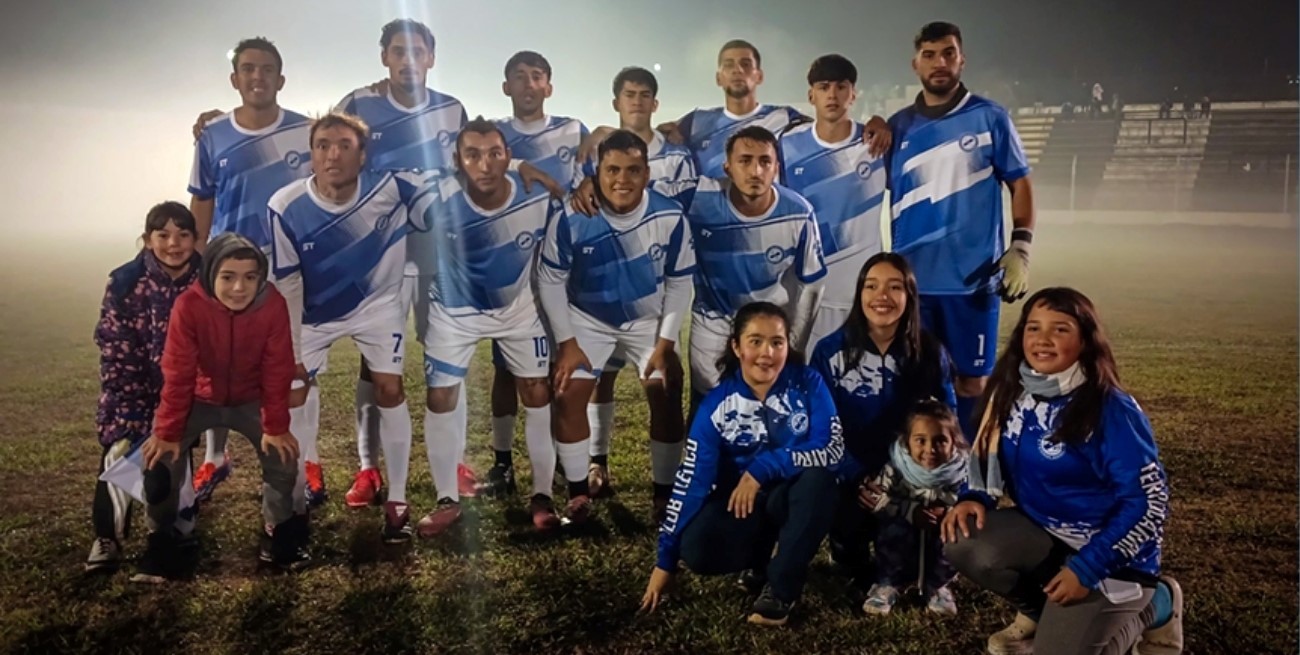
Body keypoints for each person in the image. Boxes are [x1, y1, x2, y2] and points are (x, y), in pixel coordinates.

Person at [941, 287, 1183, 655]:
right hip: (1048, 537)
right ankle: (1044, 613)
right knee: (964, 541)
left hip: (1112, 557)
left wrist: (1088, 568)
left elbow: (1148, 503)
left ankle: (1157, 605)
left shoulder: (1110, 408)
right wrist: (973, 496)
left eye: (1060, 329)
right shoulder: (1012, 390)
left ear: (1086, 339)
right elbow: (989, 458)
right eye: (1033, 328)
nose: (1043, 340)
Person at [269, 112, 435, 541]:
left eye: (344, 145)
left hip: (377, 307)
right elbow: (287, 284)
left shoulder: (392, 188)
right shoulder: (285, 206)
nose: (332, 154)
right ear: (311, 154)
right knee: (293, 390)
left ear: (363, 156)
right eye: (323, 145)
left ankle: (397, 500)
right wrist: (292, 353)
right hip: (312, 314)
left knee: (390, 389)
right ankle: (297, 498)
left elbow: (456, 188)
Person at [331, 19, 469, 509]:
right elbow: (323, 152)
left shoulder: (453, 110)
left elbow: (469, 173)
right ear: (384, 57)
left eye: (417, 52)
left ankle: (452, 460)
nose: (407, 60)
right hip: (380, 259)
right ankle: (368, 469)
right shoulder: (359, 105)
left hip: (439, 258)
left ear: (431, 57)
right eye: (397, 51)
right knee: (375, 367)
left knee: (448, 358)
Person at [640, 302, 844, 627]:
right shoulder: (716, 405)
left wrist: (762, 469)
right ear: (736, 346)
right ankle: (759, 561)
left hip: (795, 496)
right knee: (698, 550)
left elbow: (831, 449)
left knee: (819, 481)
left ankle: (781, 589)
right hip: (744, 503)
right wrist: (666, 560)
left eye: (777, 342)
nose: (767, 353)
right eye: (755, 341)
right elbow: (691, 481)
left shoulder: (808, 383)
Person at [886, 21, 1036, 443]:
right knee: (914, 386)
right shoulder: (898, 127)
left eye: (948, 53)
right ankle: (917, 479)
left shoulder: (990, 117)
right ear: (915, 63)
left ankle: (971, 475)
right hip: (912, 286)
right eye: (930, 55)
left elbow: (1020, 183)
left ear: (961, 59)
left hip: (973, 282)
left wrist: (1020, 248)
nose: (940, 63)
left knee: (973, 384)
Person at [416, 118, 564, 535]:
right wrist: (517, 163)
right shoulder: (437, 194)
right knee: (441, 395)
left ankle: (542, 496)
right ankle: (447, 499)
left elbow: (573, 199)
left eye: (495, 154)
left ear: (507, 156)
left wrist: (522, 168)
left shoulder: (536, 196)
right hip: (453, 310)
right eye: (473, 155)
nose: (485, 164)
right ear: (458, 161)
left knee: (537, 392)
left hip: (518, 309)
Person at [539, 130, 695, 522]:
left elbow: (679, 282)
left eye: (632, 170)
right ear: (597, 172)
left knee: (665, 388)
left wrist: (665, 343)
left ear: (647, 174)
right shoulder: (572, 216)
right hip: (589, 318)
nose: (622, 179)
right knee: (569, 392)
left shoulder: (670, 216)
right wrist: (567, 342)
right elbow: (551, 280)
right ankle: (578, 495)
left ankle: (664, 495)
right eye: (612, 170)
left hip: (647, 320)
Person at [135, 233, 303, 583]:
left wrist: (274, 425)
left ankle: (277, 532)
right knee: (160, 461)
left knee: (282, 455)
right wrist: (167, 433)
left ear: (261, 277)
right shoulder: (190, 305)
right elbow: (178, 370)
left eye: (250, 277)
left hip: (249, 398)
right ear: (211, 273)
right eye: (228, 277)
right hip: (200, 398)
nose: (239, 287)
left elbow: (278, 368)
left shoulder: (272, 305)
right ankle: (161, 540)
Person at [188, 37, 313, 502]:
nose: (257, 76)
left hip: (285, 266)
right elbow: (202, 199)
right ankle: (213, 459)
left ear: (280, 79)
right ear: (235, 79)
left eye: (266, 69)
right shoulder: (213, 133)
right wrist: (199, 262)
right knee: (218, 359)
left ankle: (307, 462)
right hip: (226, 268)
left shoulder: (305, 131)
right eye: (247, 69)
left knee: (295, 364)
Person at [576, 66, 697, 499]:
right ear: (616, 102)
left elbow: (674, 218)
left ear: (655, 103)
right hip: (600, 289)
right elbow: (584, 200)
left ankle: (666, 491)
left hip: (652, 291)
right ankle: (597, 463)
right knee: (598, 379)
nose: (637, 102)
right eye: (629, 94)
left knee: (665, 382)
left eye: (645, 95)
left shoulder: (678, 156)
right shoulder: (593, 151)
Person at [810, 252, 956, 587]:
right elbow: (821, 429)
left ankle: (914, 546)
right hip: (851, 474)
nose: (882, 297)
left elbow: (950, 425)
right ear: (859, 293)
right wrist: (858, 477)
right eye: (871, 286)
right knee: (851, 560)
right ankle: (845, 545)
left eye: (895, 287)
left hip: (909, 475)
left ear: (910, 296)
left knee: (908, 564)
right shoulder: (829, 351)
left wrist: (931, 482)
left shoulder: (931, 352)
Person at [484, 50, 591, 496]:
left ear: (549, 86)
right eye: (519, 77)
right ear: (506, 87)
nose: (528, 84)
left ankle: (569, 461)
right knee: (507, 370)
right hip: (509, 263)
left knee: (565, 363)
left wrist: (588, 175)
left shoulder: (573, 129)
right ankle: (503, 463)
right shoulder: (495, 134)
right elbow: (466, 164)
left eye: (537, 77)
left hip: (563, 264)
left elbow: (594, 173)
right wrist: (515, 165)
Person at [87, 202, 202, 572]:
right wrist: (139, 414)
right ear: (148, 239)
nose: (174, 243)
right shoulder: (124, 282)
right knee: (121, 452)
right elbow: (115, 348)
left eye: (183, 234)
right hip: (132, 393)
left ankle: (167, 529)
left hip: (185, 396)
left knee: (172, 466)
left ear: (195, 240)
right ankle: (107, 537)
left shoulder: (208, 280)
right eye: (163, 234)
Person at [655, 40, 890, 179]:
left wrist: (877, 120)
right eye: (729, 65)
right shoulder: (696, 122)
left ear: (759, 76)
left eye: (746, 64)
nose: (738, 70)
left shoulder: (784, 117)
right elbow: (657, 138)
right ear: (719, 78)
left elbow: (830, 125)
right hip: (710, 229)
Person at [780, 54, 887, 353]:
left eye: (841, 86)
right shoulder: (787, 145)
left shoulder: (876, 143)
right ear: (810, 95)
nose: (832, 95)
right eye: (824, 86)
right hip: (806, 292)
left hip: (861, 293)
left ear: (853, 94)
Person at [858, 399, 968, 616]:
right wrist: (909, 512)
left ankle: (938, 586)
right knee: (894, 529)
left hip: (937, 541)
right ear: (906, 441)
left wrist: (948, 513)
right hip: (901, 542)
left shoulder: (962, 472)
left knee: (954, 531)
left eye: (940, 441)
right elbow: (875, 500)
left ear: (954, 442)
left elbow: (969, 503)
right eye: (921, 440)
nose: (930, 449)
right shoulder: (895, 468)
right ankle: (888, 584)